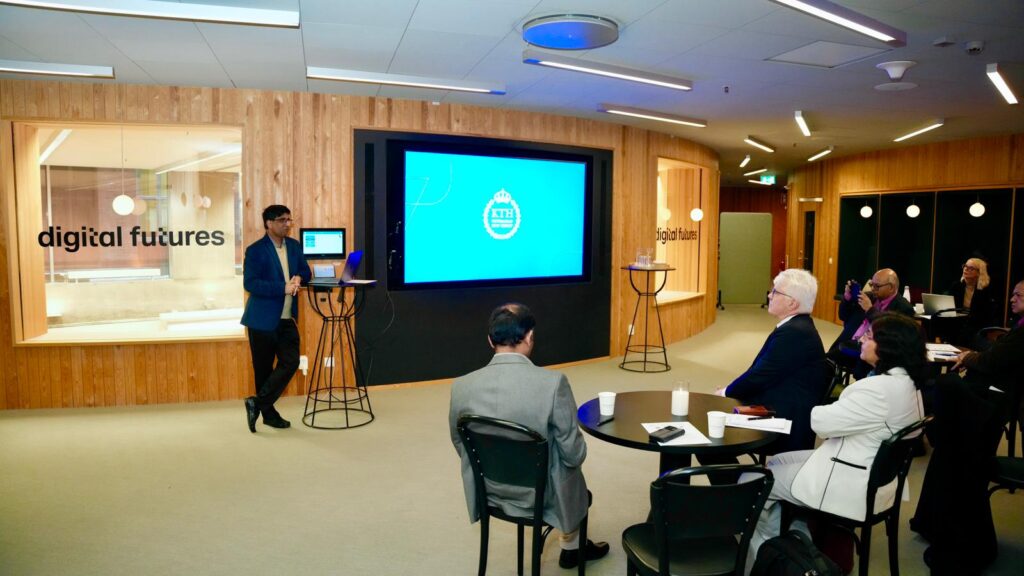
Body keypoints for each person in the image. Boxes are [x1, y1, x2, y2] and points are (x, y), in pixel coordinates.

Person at [745, 313, 925, 573]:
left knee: (754, 481)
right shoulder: (910, 385)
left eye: (869, 336)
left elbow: (821, 423)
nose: (861, 338)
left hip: (849, 482)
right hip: (876, 477)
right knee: (777, 461)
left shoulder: (876, 390)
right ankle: (796, 538)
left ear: (888, 347)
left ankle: (774, 556)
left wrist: (821, 406)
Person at [449, 303, 609, 570]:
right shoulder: (553, 384)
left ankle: (570, 547)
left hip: (488, 491)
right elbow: (574, 454)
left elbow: (460, 443)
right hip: (540, 496)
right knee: (576, 480)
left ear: (490, 340)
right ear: (530, 338)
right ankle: (572, 546)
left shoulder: (461, 386)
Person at [910, 280, 1024, 575]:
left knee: (960, 460)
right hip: (988, 400)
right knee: (950, 454)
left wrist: (969, 358)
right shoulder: (1018, 328)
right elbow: (993, 356)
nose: (1012, 299)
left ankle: (951, 536)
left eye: (1019, 295)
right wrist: (974, 358)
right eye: (1012, 293)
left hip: (991, 409)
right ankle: (934, 524)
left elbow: (995, 360)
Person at [714, 269, 827, 454]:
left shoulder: (794, 333)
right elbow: (762, 372)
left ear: (792, 303)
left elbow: (760, 375)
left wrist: (726, 392)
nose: (769, 295)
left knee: (711, 441)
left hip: (784, 422)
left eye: (775, 292)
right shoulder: (797, 327)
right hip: (778, 405)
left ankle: (747, 483)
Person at [240, 205, 311, 432]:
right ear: (269, 223)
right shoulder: (256, 250)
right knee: (263, 370)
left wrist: (300, 276)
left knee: (290, 362)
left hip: (287, 318)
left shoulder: (294, 246)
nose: (287, 224)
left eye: (289, 220)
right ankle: (269, 415)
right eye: (282, 220)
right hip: (261, 320)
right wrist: (282, 287)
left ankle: (257, 403)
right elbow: (250, 283)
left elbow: (306, 272)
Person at [830, 268, 914, 379]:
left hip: (875, 352)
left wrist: (870, 309)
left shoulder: (903, 308)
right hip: (851, 342)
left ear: (892, 287)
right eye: (871, 284)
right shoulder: (868, 297)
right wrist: (847, 298)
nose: (873, 289)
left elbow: (889, 333)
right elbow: (843, 316)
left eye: (877, 286)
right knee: (824, 362)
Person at [942, 257, 997, 346]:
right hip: (957, 324)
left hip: (976, 328)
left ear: (979, 273)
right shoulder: (956, 286)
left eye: (971, 268)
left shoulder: (986, 291)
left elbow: (986, 316)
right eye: (965, 266)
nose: (966, 269)